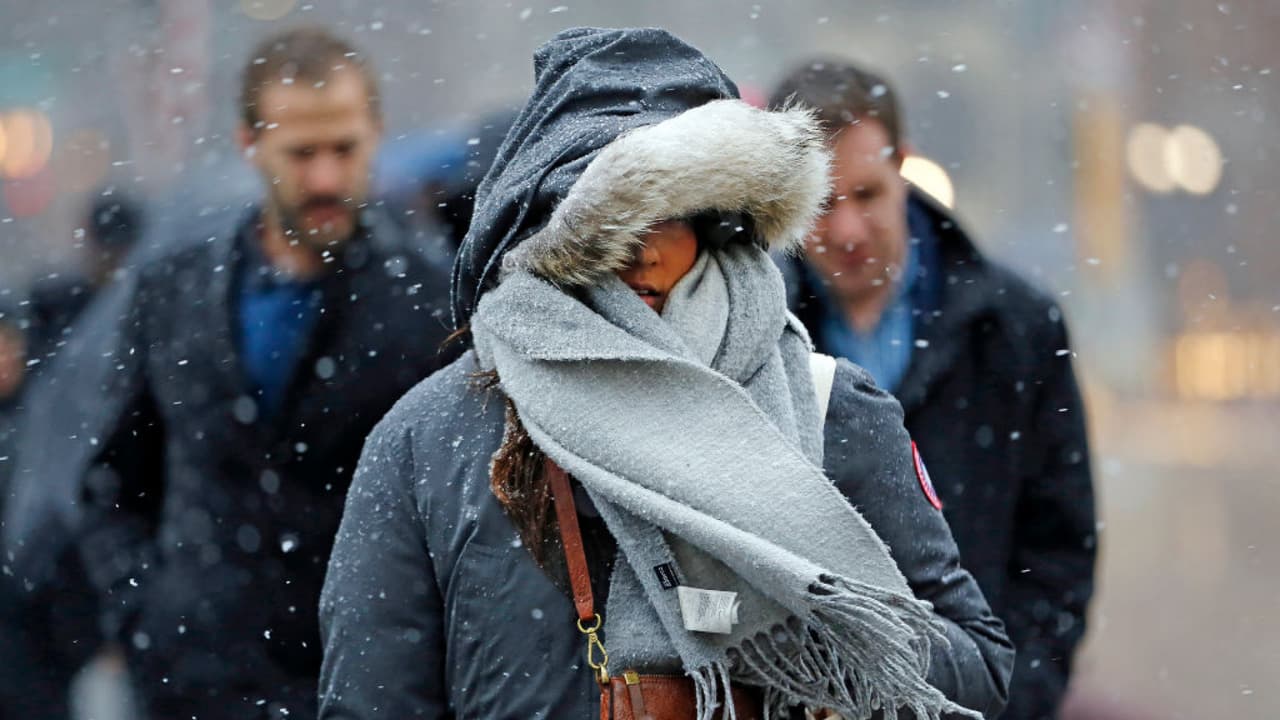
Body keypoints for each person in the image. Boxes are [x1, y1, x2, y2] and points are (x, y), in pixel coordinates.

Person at [319, 27, 1012, 720]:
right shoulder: (425, 442)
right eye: (608, 218)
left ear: (717, 223)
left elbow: (977, 670)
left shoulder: (835, 408)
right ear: (550, 226)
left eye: (671, 213)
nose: (642, 251)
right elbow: (369, 701)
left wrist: (814, 635)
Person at [77, 27, 456, 720]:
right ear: (249, 143)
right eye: (300, 153)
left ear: (376, 131)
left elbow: (455, 508)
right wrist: (147, 615)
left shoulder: (427, 298)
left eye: (344, 149)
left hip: (361, 684)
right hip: (197, 679)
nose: (324, 179)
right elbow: (112, 482)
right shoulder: (175, 289)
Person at [769, 59, 1097, 720]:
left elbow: (1059, 549)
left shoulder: (1017, 327)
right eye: (823, 203)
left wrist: (1016, 698)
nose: (846, 232)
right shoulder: (760, 337)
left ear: (904, 167)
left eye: (865, 195)